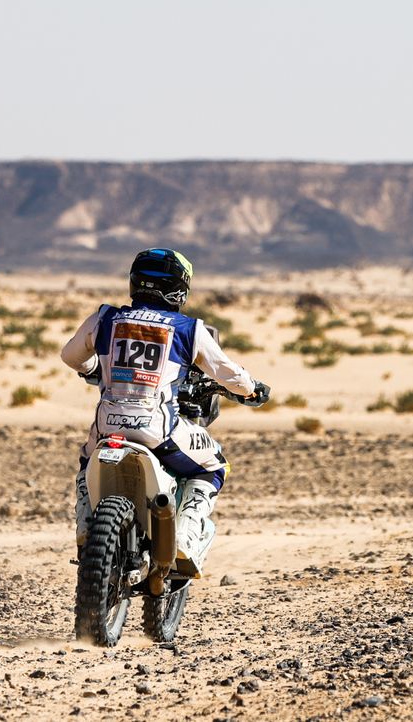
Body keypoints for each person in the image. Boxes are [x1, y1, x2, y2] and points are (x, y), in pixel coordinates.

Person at [60, 247, 270, 576]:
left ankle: (86, 525)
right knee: (213, 464)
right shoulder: (188, 329)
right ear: (178, 288)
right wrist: (252, 389)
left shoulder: (104, 318)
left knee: (87, 462)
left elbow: (71, 357)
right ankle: (184, 536)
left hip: (106, 427)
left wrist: (94, 370)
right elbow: (229, 374)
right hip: (157, 431)